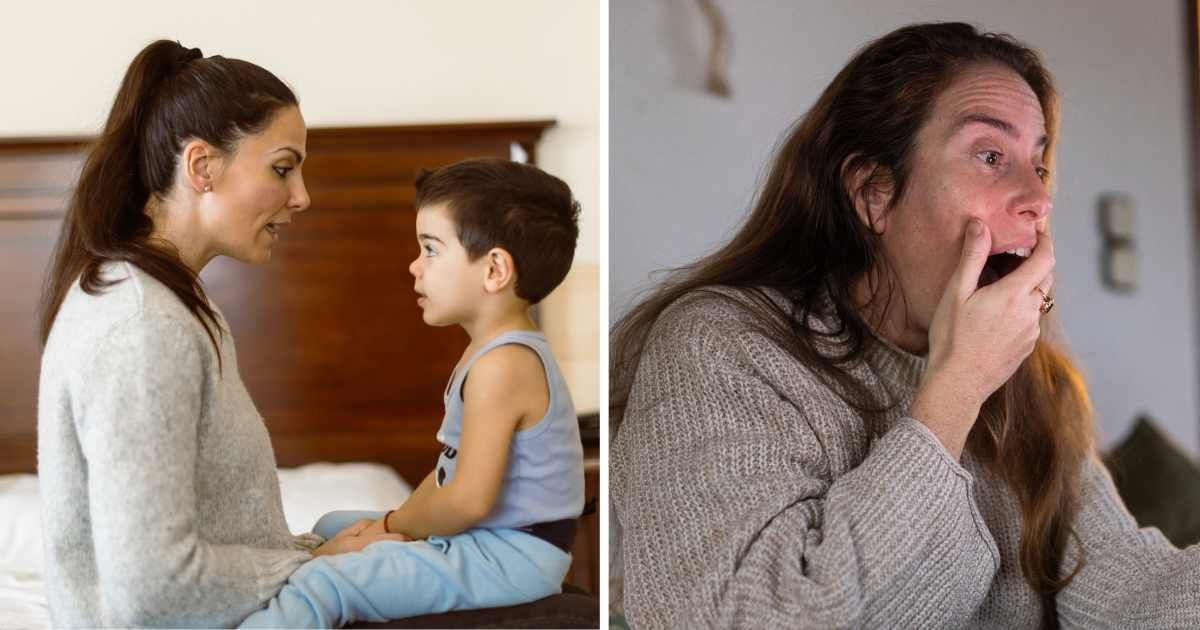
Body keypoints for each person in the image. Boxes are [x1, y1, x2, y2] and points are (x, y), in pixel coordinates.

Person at [610, 22, 1200, 629]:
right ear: (873, 193)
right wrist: (956, 389)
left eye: (1040, 166)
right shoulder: (716, 347)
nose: (1037, 198)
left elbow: (1130, 594)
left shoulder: (1035, 387)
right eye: (991, 156)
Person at [36, 40, 408, 628]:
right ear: (202, 166)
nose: (302, 196)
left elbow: (211, 541)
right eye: (282, 168)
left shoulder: (169, 301)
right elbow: (153, 588)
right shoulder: (141, 326)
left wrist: (314, 551)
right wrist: (315, 566)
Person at [239, 157, 586, 627]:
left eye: (430, 249)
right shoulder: (491, 353)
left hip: (511, 556)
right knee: (331, 526)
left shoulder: (504, 365)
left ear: (494, 270)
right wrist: (390, 524)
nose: (414, 266)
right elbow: (447, 477)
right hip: (494, 540)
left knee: (325, 581)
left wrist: (391, 527)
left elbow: (466, 500)